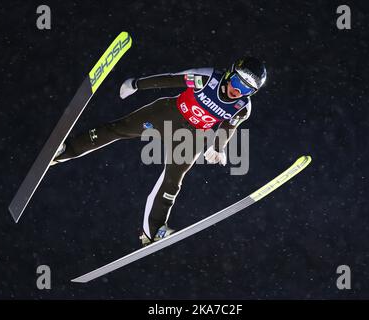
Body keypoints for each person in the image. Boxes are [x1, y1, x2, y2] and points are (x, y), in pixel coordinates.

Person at [52, 57, 267, 246]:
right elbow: (169, 79)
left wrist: (218, 148)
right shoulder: (206, 78)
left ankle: (152, 231)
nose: (238, 90)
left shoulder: (242, 107)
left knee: (173, 181)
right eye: (238, 82)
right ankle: (64, 151)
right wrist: (136, 84)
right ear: (231, 73)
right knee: (118, 129)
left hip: (191, 137)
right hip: (167, 114)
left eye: (247, 89)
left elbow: (229, 126)